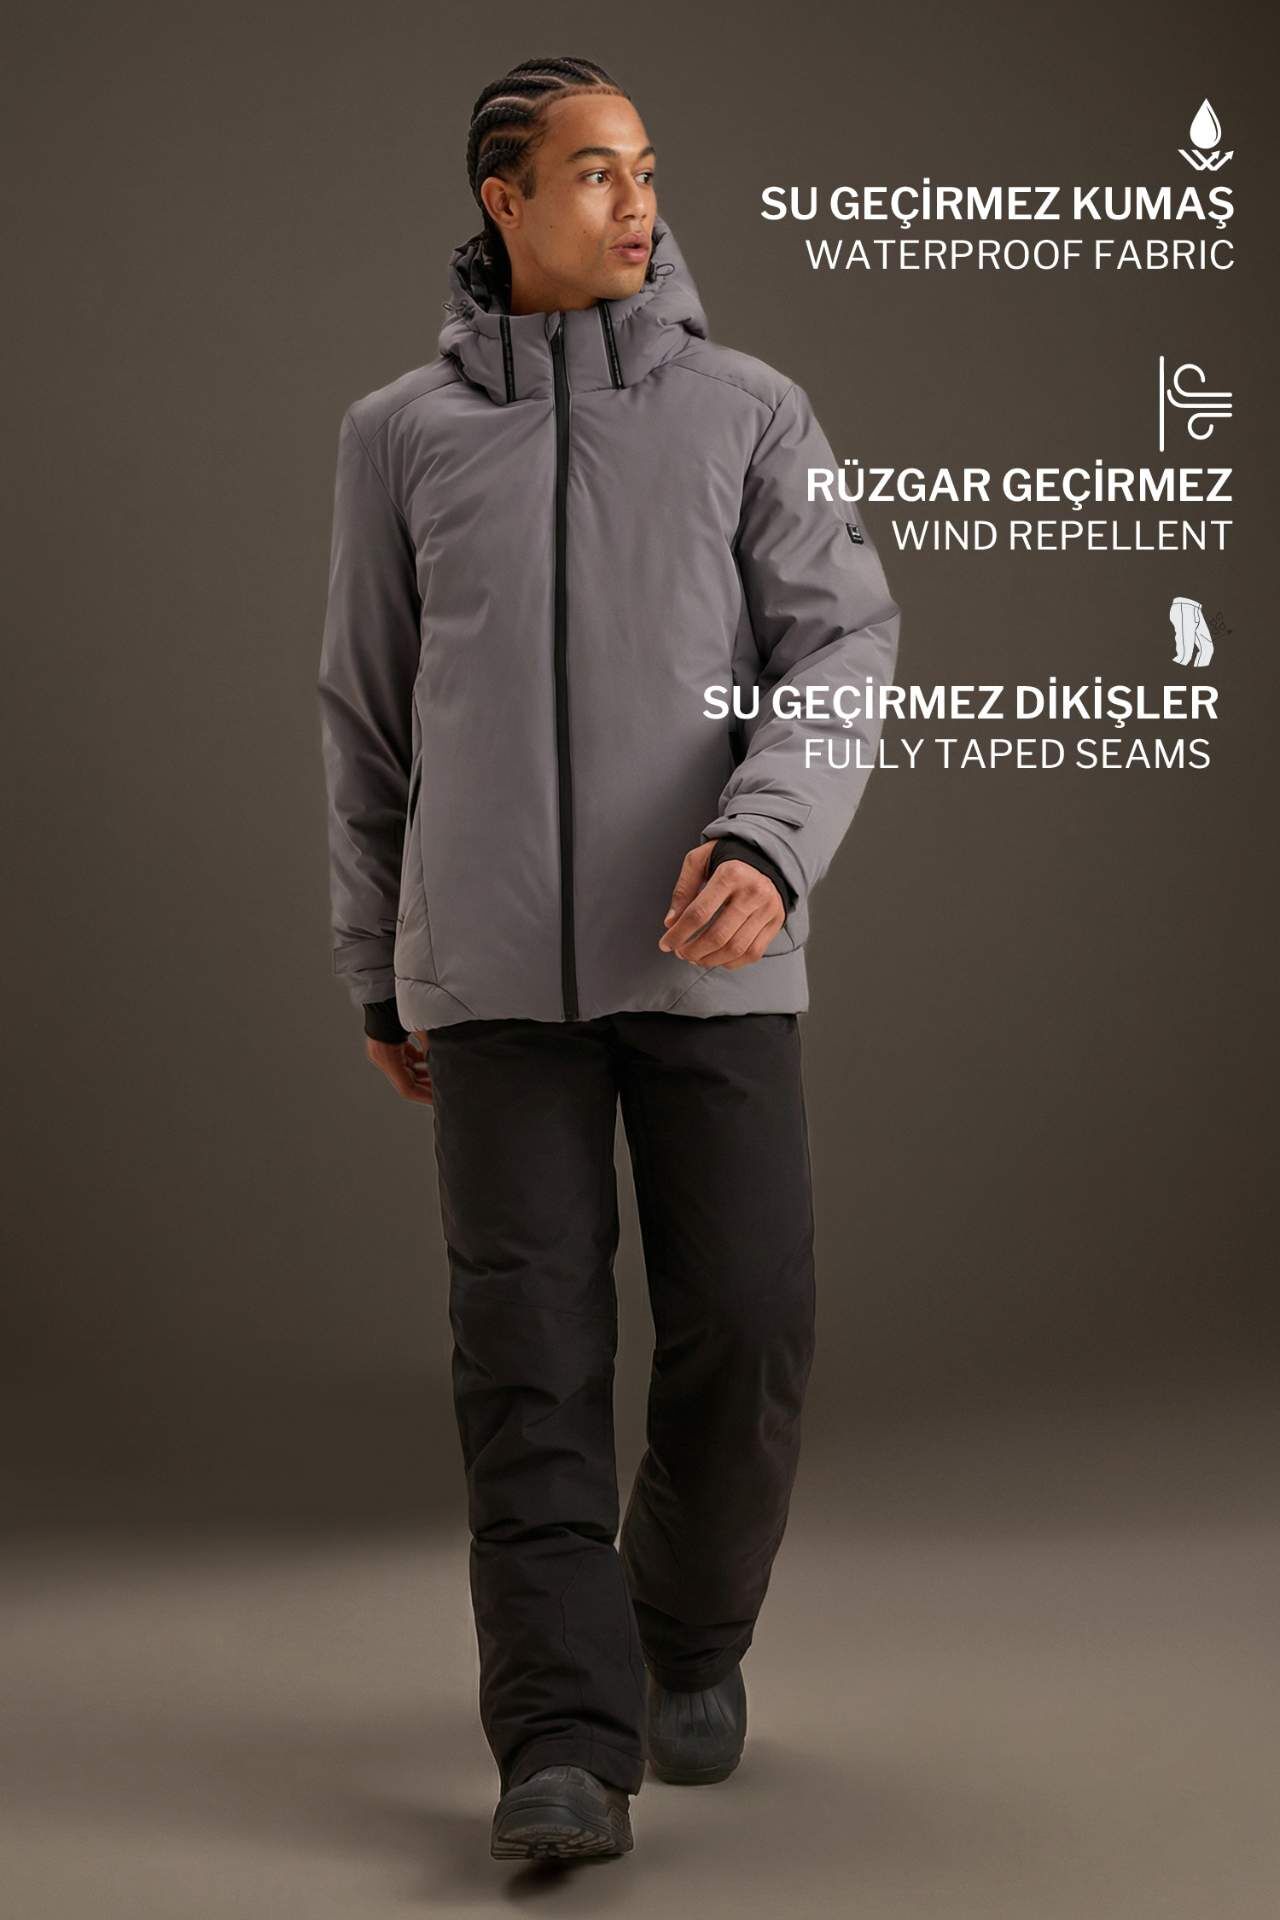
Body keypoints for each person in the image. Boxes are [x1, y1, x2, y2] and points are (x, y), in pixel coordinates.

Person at [316, 54, 901, 1865]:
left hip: (711, 956)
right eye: (592, 172)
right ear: (504, 200)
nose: (636, 202)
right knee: (528, 1362)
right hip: (495, 983)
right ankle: (561, 1744)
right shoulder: (398, 436)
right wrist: (378, 959)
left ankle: (682, 1635)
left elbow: (843, 650)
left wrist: (767, 840)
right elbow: (367, 712)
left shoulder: (749, 412)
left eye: (645, 168)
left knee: (752, 1322)